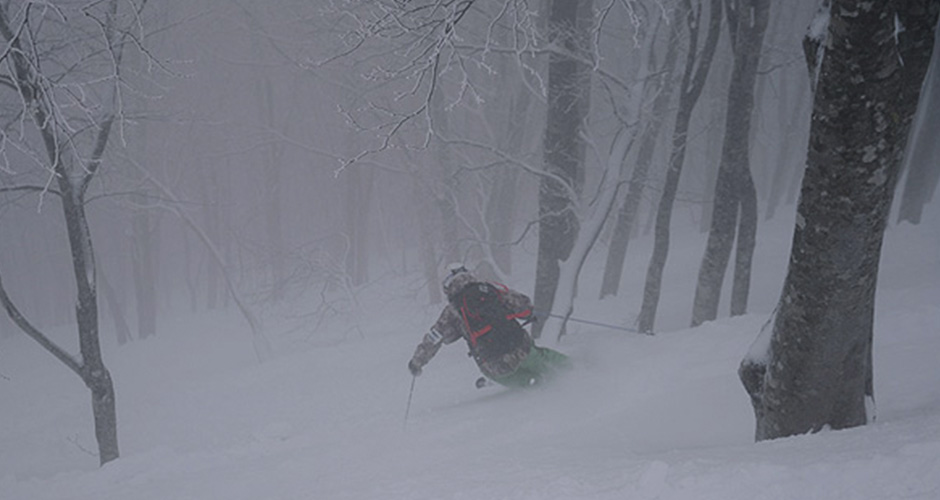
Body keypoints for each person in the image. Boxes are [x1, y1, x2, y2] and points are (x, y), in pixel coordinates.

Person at [408, 265, 570, 388]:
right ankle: (577, 371)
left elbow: (433, 339)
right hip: (521, 347)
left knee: (532, 385)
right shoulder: (491, 290)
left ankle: (538, 387)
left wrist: (417, 363)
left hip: (494, 366)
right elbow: (525, 306)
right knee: (548, 361)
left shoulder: (452, 312)